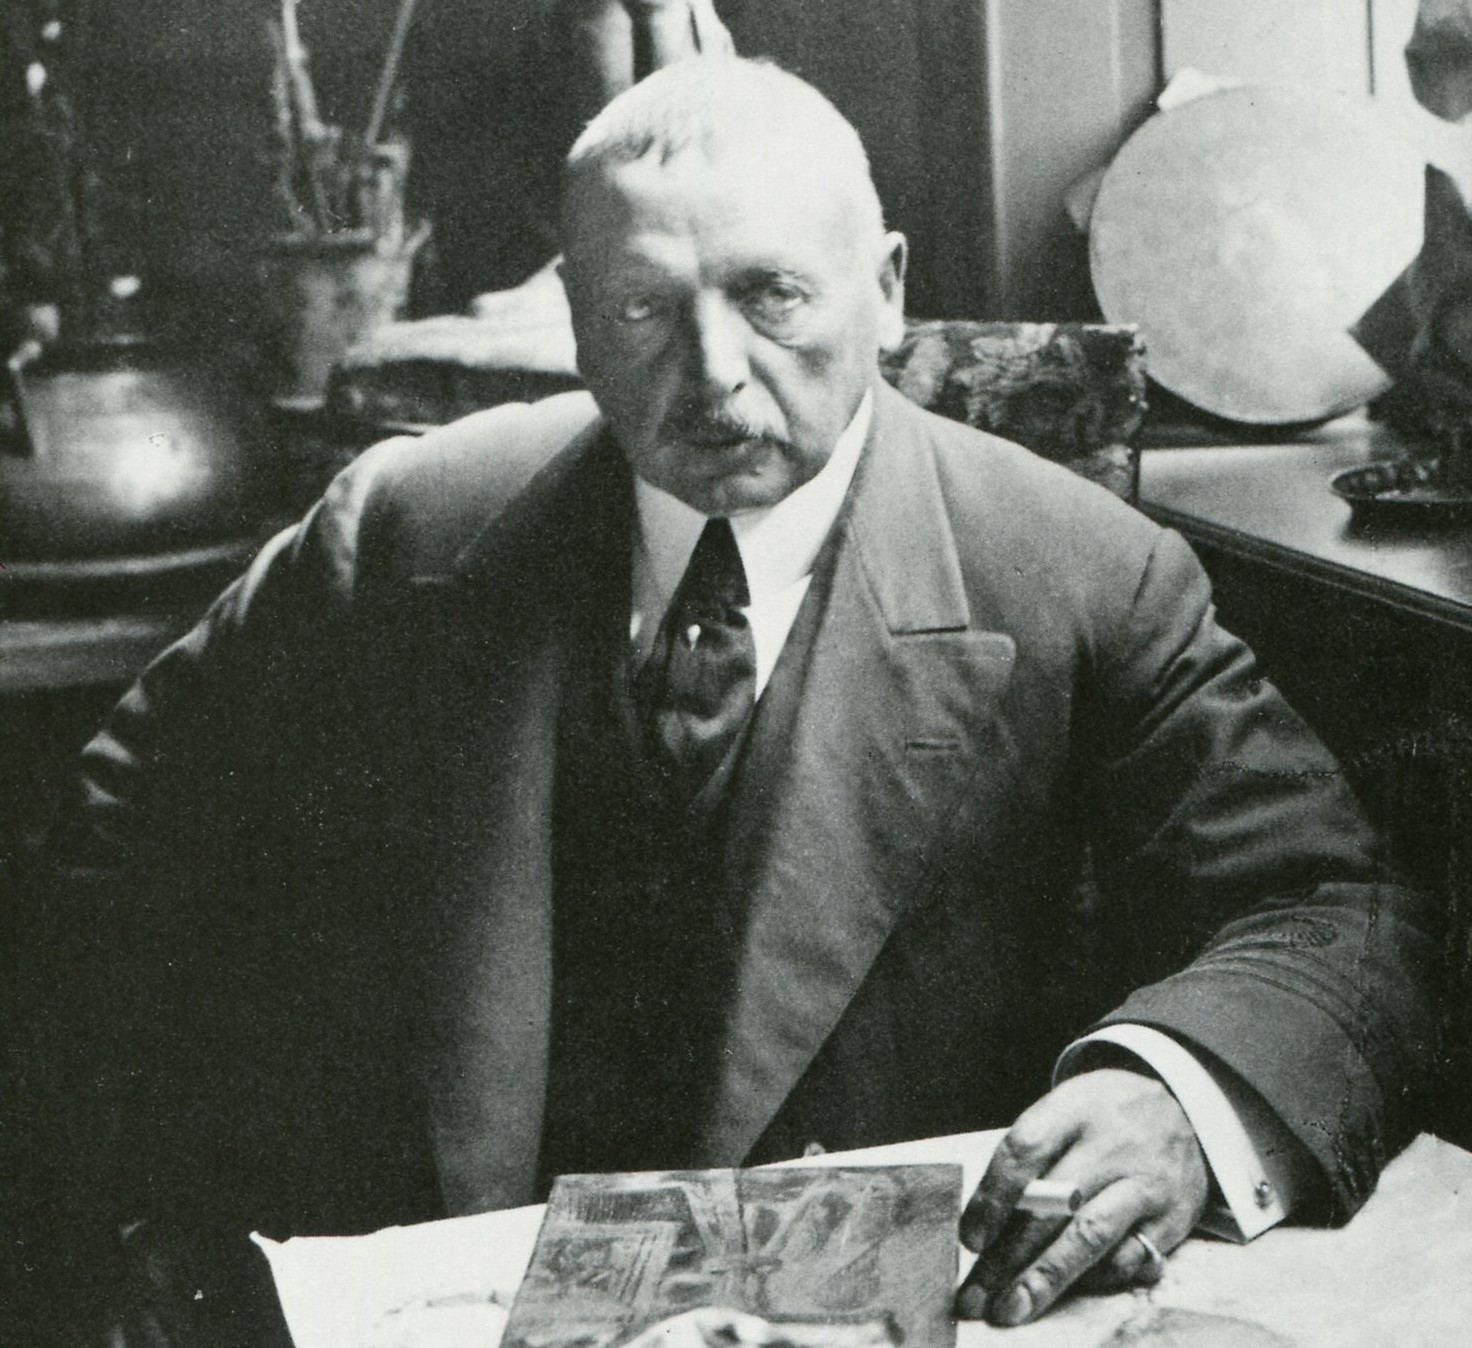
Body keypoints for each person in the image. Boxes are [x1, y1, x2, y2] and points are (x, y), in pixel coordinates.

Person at [11, 56, 1439, 1345]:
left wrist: (1178, 1092)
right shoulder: (402, 530)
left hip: (853, 1305)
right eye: (641, 307)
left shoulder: (1080, 574)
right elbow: (117, 860)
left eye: (773, 295)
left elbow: (1336, 909)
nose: (712, 375)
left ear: (884, 288)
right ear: (575, 318)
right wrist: (188, 1215)